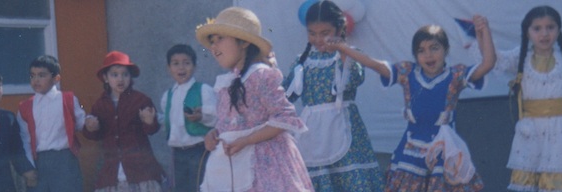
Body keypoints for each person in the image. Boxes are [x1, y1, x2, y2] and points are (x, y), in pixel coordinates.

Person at [352, 14, 494, 190]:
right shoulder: (407, 72)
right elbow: (373, 64)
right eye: (421, 50)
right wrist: (344, 48)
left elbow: (488, 63)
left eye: (434, 48)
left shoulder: (455, 76)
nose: (428, 55)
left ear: (446, 49)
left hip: (443, 148)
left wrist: (484, 31)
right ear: (415, 55)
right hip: (411, 149)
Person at [196, 7, 313, 191]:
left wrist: (246, 140)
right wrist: (215, 133)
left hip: (264, 164)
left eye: (220, 39)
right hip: (233, 164)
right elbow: (230, 122)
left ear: (243, 42)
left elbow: (284, 117)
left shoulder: (260, 75)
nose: (214, 47)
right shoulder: (226, 82)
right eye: (212, 41)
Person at [495, 6, 562, 191]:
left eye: (550, 27)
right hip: (532, 131)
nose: (544, 33)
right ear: (527, 32)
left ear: (558, 31)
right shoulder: (520, 58)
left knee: (560, 175)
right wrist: (481, 34)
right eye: (537, 28)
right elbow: (495, 60)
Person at [281, 1, 383, 191]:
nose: (318, 39)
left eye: (324, 33)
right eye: (312, 33)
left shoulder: (350, 56)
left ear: (339, 29)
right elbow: (286, 95)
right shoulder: (303, 62)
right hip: (313, 135)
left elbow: (354, 78)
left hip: (346, 132)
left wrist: (344, 50)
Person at [84, 51, 166, 192]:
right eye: (114, 75)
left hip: (141, 170)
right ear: (105, 78)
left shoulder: (141, 100)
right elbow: (94, 134)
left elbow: (152, 130)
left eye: (125, 74)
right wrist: (91, 128)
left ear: (131, 77)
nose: (120, 79)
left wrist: (149, 121)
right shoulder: (100, 105)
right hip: (111, 172)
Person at [17, 55, 87, 192]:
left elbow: (81, 123)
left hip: (64, 160)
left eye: (42, 75)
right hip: (38, 162)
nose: (36, 80)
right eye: (32, 76)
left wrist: (90, 122)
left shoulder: (68, 99)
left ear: (56, 78)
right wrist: (30, 167)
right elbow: (25, 139)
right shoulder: (25, 107)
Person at [158, 44, 216, 191]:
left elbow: (216, 117)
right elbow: (168, 121)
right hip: (177, 152)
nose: (181, 68)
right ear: (168, 68)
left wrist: (201, 117)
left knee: (199, 186)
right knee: (180, 188)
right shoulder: (168, 96)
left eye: (186, 63)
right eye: (175, 63)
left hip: (198, 149)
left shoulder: (203, 90)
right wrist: (153, 119)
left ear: (195, 66)